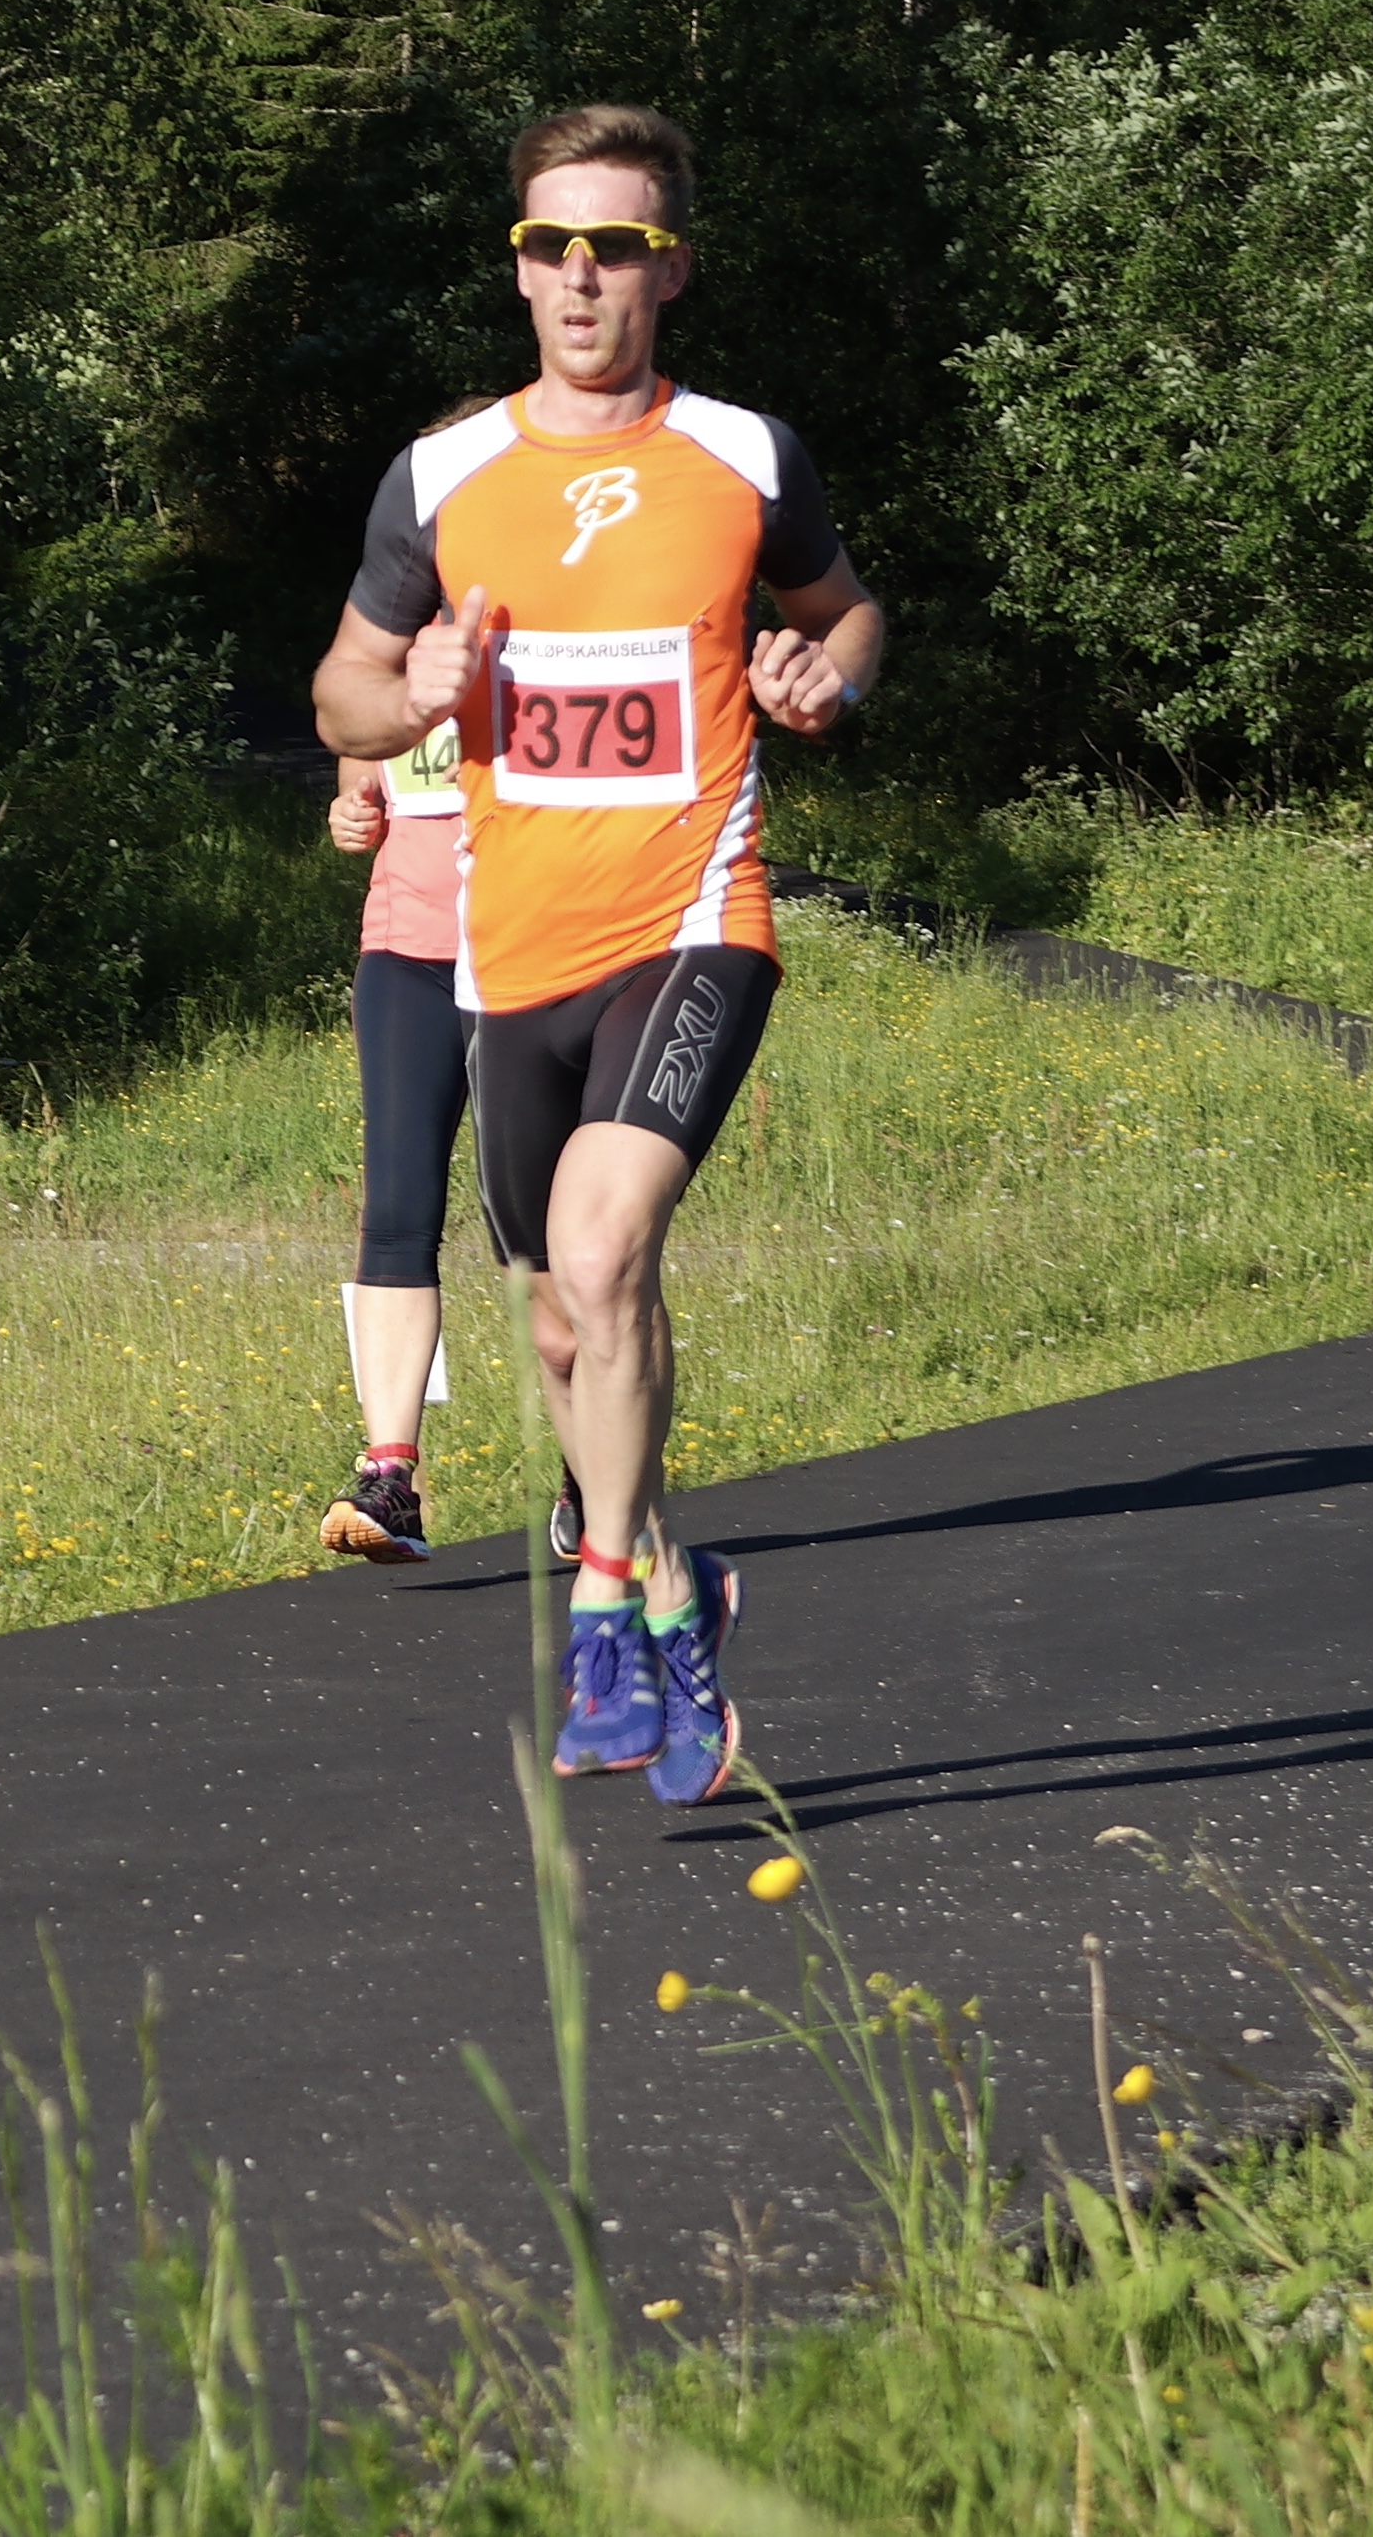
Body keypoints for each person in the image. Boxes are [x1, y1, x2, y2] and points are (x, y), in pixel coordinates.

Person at [312, 102, 883, 1803]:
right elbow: (338, 688)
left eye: (614, 245)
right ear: (518, 269)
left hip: (694, 920)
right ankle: (680, 1585)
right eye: (548, 244)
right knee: (563, 1323)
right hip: (509, 957)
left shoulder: (743, 456)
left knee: (602, 1241)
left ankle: (608, 1604)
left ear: (669, 268)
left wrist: (829, 677)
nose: (579, 274)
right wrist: (401, 698)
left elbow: (845, 608)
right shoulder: (442, 478)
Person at [315, 706, 589, 1565]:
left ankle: (596, 1467)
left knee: (545, 1235)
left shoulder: (542, 637)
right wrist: (350, 813)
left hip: (533, 954)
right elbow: (359, 779)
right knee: (396, 1212)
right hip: (407, 955)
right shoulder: (391, 660)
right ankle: (390, 1477)